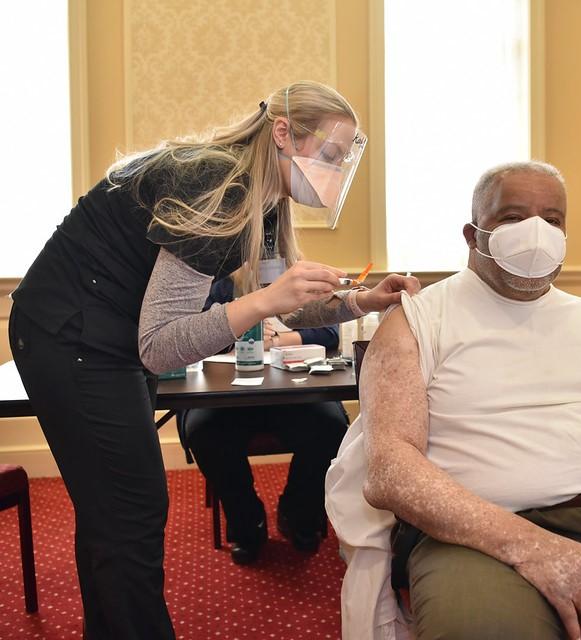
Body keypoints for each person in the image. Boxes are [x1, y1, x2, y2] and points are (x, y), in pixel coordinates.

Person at [8, 80, 419, 640]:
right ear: (281, 133)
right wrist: (265, 301)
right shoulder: (214, 185)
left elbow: (286, 305)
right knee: (131, 513)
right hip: (70, 333)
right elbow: (161, 344)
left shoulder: (264, 199)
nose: (335, 170)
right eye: (327, 155)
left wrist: (359, 301)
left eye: (341, 160)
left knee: (117, 515)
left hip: (107, 334)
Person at [325, 161, 581, 640]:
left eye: (552, 220)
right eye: (513, 218)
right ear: (473, 236)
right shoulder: (418, 321)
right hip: (479, 535)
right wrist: (531, 546)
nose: (536, 233)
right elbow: (390, 472)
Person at [180, 276, 348, 564]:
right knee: (202, 430)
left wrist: (273, 341)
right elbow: (200, 339)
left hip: (293, 392)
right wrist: (251, 337)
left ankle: (298, 512)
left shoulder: (301, 277)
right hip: (229, 394)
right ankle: (247, 522)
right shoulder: (217, 284)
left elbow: (329, 334)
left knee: (331, 426)